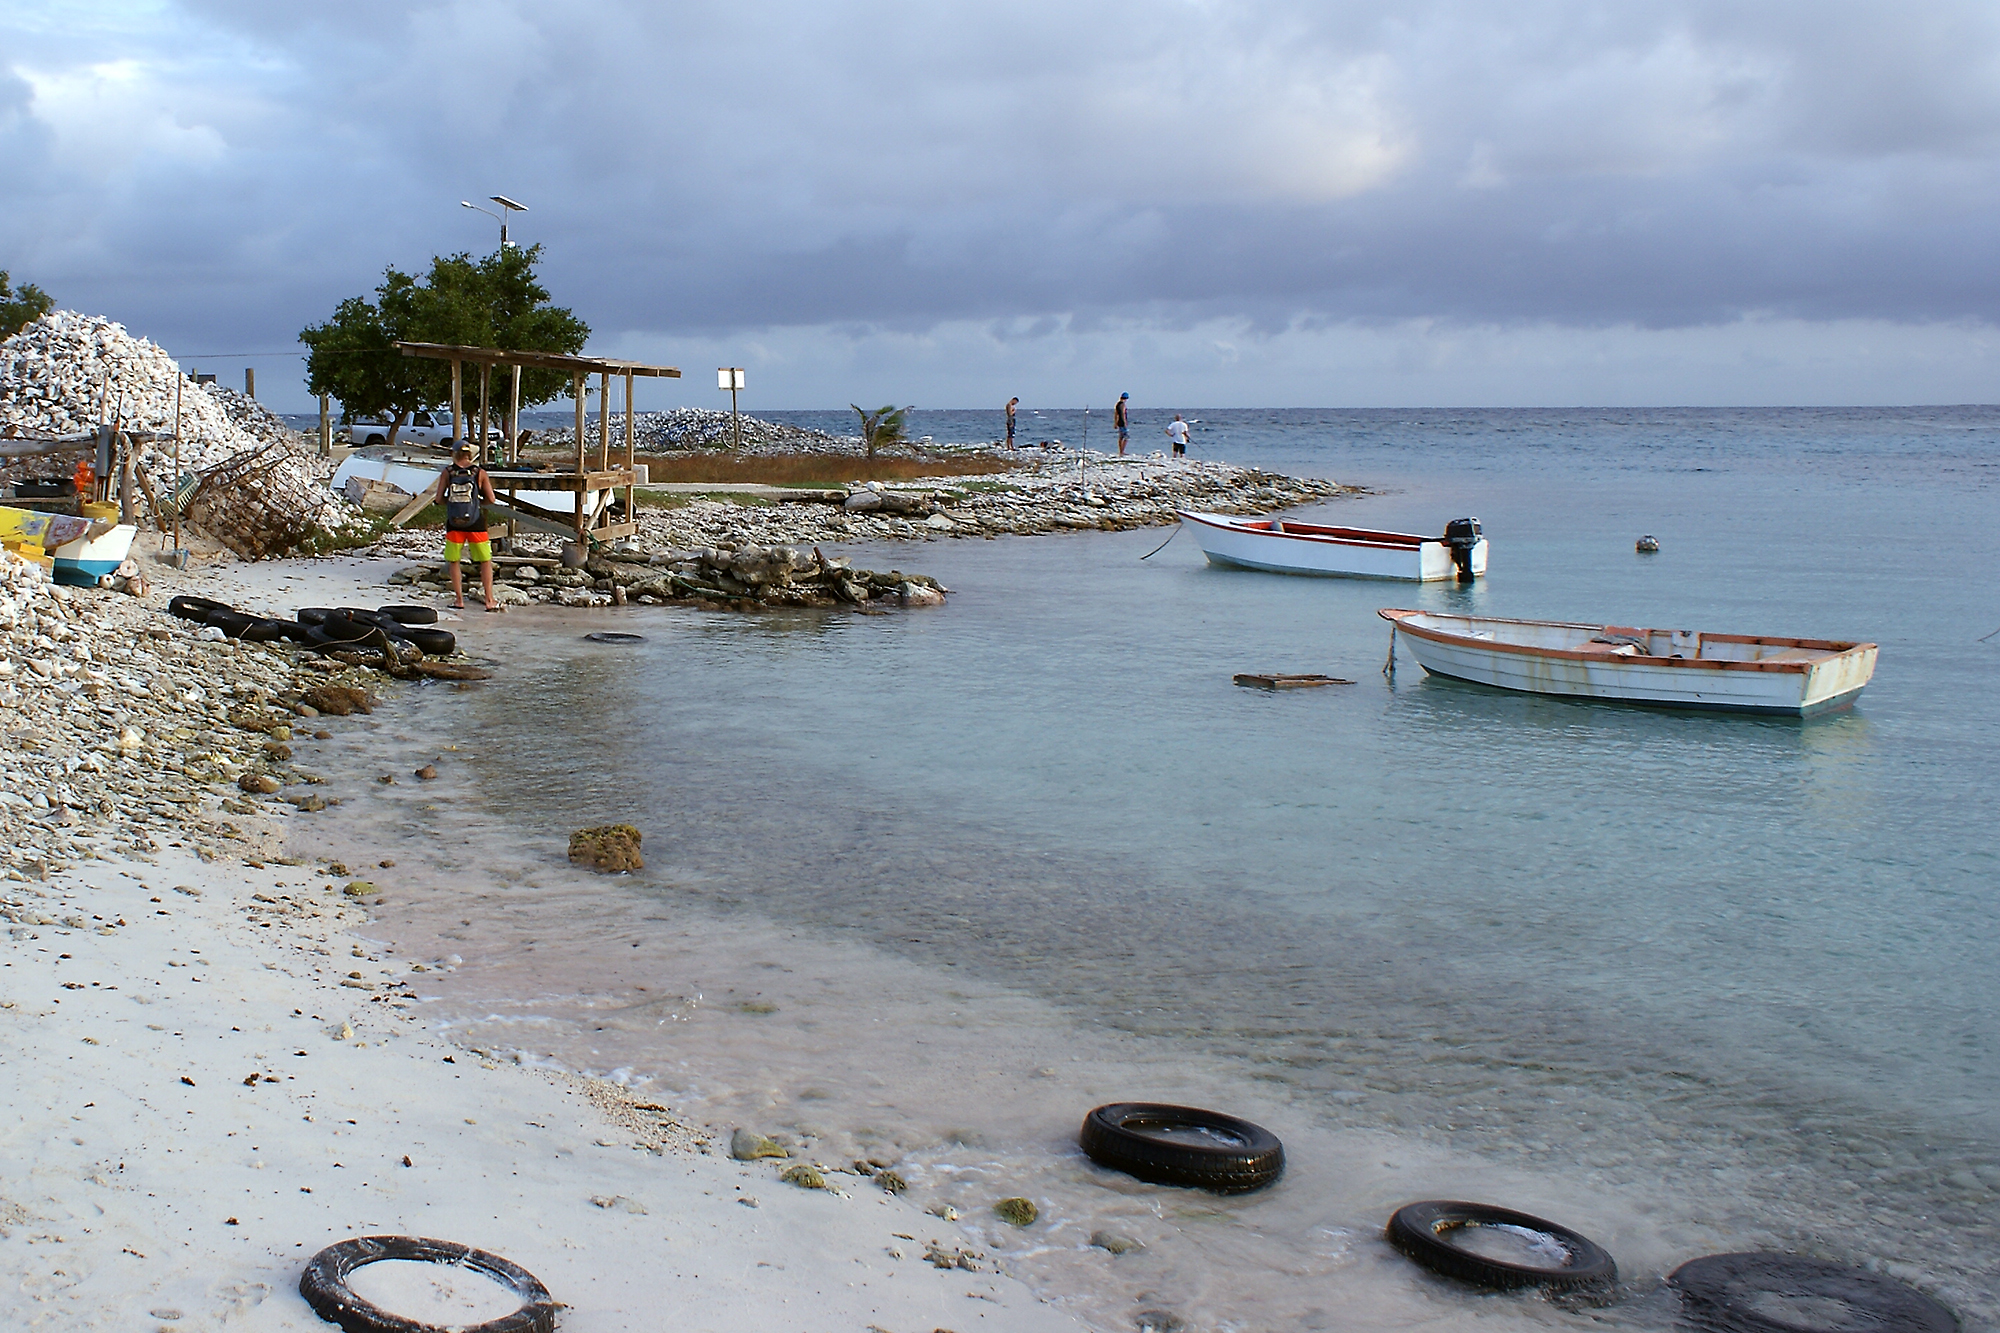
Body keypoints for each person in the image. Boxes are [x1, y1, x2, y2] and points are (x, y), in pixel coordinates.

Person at [434, 442, 501, 612]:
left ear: (454, 454)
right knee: (485, 561)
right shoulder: (480, 472)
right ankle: (489, 600)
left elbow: (438, 499)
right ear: (470, 454)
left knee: (454, 560)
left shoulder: (447, 472)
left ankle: (459, 600)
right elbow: (491, 499)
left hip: (454, 523)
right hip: (476, 522)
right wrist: (477, 505)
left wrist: (451, 505)